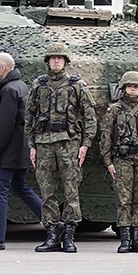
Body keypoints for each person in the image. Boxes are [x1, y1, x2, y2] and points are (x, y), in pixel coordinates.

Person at [24, 42, 97, 253]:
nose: (56, 61)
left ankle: (70, 236)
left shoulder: (76, 85)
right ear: (47, 61)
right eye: (53, 57)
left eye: (60, 58)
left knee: (71, 190)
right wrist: (32, 145)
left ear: (66, 61)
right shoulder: (39, 85)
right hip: (44, 142)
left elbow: (90, 117)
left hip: (69, 143)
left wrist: (85, 144)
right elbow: (29, 116)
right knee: (47, 191)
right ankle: (52, 234)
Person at [0, 53, 42, 250]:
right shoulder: (19, 86)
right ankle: (55, 223)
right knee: (21, 187)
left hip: (8, 152)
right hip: (18, 150)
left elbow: (4, 124)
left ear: (4, 68)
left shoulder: (9, 90)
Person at [100, 71, 138, 254]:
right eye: (130, 86)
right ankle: (125, 239)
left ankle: (137, 238)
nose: (133, 89)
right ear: (123, 88)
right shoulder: (114, 110)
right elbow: (105, 136)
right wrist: (108, 161)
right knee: (123, 199)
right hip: (121, 159)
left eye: (136, 87)